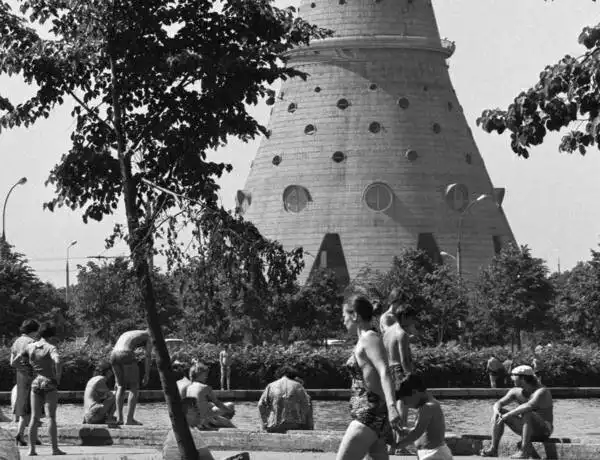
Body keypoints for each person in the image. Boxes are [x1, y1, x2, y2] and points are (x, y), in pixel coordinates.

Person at [336, 294, 402, 460]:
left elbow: (384, 371)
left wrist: (392, 407)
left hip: (368, 415)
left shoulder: (369, 338)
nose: (343, 321)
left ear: (355, 315)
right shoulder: (365, 339)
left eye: (344, 316)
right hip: (374, 417)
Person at [480, 365, 554, 459]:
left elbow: (528, 406)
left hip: (543, 431)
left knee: (527, 412)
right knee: (499, 412)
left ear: (523, 378)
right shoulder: (515, 391)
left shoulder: (542, 391)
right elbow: (498, 403)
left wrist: (508, 415)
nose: (511, 378)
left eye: (513, 376)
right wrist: (496, 410)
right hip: (527, 429)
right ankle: (493, 449)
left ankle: (524, 451)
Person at [22, 322, 64, 456]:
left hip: (35, 382)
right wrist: (58, 377)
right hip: (49, 381)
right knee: (51, 417)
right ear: (51, 335)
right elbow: (58, 360)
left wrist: (29, 370)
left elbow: (17, 360)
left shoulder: (30, 347)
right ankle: (55, 449)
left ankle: (31, 450)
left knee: (34, 418)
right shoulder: (51, 347)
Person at [162, 397, 249, 460]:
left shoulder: (174, 430)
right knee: (243, 457)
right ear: (184, 415)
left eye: (198, 409)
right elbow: (208, 458)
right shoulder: (191, 433)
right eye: (195, 410)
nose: (199, 413)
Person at [382, 288, 418, 431]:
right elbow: (404, 360)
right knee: (403, 403)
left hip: (390, 368)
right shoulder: (400, 332)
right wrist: (411, 376)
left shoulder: (389, 332)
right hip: (399, 369)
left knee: (394, 403)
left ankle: (394, 437)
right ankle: (401, 435)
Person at [394, 374, 453, 460]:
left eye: (405, 401)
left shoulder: (428, 407)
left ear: (415, 392)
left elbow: (417, 433)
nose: (406, 405)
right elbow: (425, 430)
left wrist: (397, 445)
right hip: (432, 453)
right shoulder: (428, 406)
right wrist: (406, 431)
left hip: (434, 454)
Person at [110, 329, 152, 425]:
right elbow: (148, 356)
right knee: (134, 386)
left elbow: (118, 347)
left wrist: (116, 380)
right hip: (126, 354)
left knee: (121, 386)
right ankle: (129, 419)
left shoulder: (131, 332)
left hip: (113, 355)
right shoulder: (149, 336)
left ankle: (120, 419)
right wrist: (147, 374)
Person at [10, 319, 40, 446]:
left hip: (20, 376)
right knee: (34, 406)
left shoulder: (16, 341)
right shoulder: (32, 342)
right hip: (31, 376)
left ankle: (24, 434)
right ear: (34, 330)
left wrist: (21, 368)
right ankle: (25, 435)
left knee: (24, 406)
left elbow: (12, 362)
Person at [258, 366, 314, 433]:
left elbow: (260, 405)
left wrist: (265, 424)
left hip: (274, 425)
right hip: (294, 425)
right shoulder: (298, 386)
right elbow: (306, 406)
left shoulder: (271, 385)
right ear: (293, 376)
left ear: (278, 375)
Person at [186, 362, 236, 430]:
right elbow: (218, 403)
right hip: (205, 419)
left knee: (211, 406)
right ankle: (212, 422)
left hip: (194, 420)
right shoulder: (205, 387)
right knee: (231, 405)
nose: (206, 376)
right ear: (199, 374)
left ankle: (214, 421)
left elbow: (197, 404)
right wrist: (229, 411)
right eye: (205, 374)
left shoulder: (189, 387)